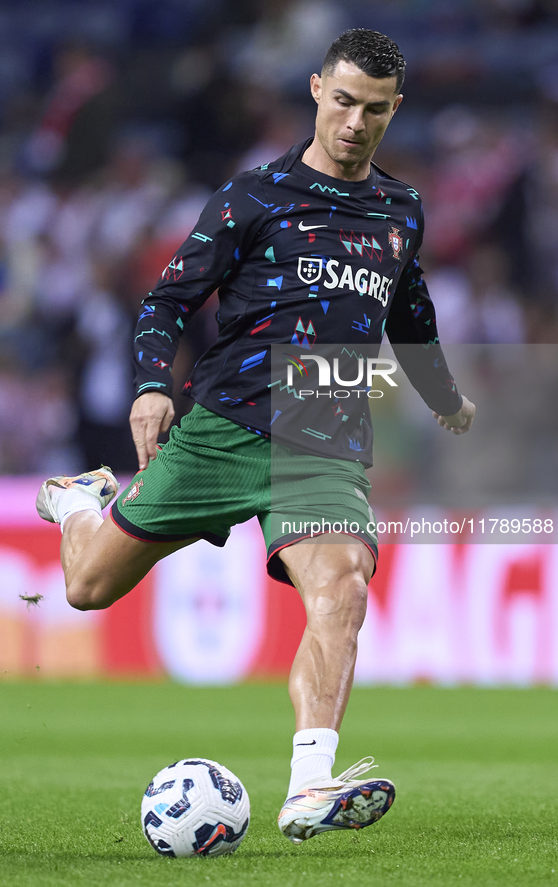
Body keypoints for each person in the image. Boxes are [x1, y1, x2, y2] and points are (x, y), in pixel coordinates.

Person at [36, 29, 475, 848]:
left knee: (341, 589)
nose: (354, 122)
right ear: (315, 90)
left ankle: (309, 781)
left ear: (394, 110)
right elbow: (166, 300)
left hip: (325, 440)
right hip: (225, 428)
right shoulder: (253, 196)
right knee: (87, 588)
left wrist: (445, 399)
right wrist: (149, 387)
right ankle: (80, 506)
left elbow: (410, 316)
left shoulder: (399, 209)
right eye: (342, 101)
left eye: (374, 109)